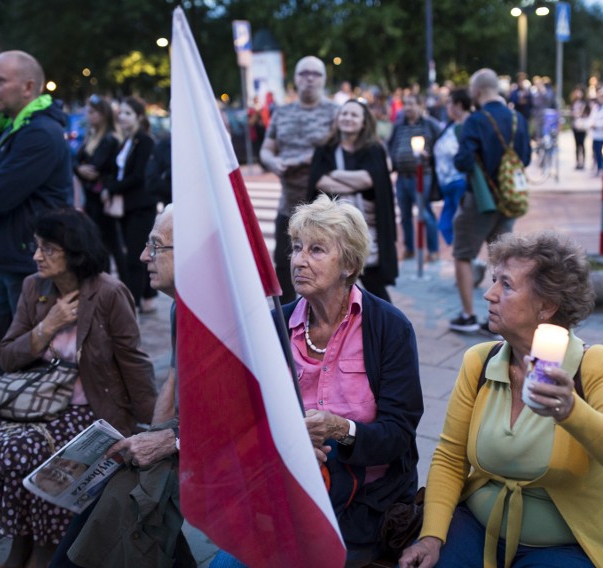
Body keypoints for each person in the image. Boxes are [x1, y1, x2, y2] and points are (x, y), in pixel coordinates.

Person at [400, 231, 603, 568]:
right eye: (493, 281)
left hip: (565, 545)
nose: (488, 294)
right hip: (478, 526)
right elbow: (450, 456)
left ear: (546, 306)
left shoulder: (595, 365)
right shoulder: (479, 361)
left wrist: (572, 411)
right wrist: (431, 536)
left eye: (506, 285)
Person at [212, 195, 423, 567]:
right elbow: (246, 416)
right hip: (286, 488)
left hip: (365, 502)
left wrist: (341, 429)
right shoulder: (276, 326)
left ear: (349, 264)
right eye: (296, 248)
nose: (298, 260)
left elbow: (398, 435)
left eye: (316, 250)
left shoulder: (389, 328)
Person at [0, 207, 157, 568]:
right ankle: (21, 543)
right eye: (37, 246)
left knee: (35, 456)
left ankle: (45, 549)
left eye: (48, 248)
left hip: (91, 412)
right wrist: (46, 327)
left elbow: (134, 362)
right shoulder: (34, 288)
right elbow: (6, 356)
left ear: (75, 251)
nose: (37, 256)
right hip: (40, 406)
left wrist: (152, 429)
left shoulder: (109, 293)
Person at [50, 205, 197, 568]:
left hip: (222, 456)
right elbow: (173, 384)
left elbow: (242, 414)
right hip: (184, 442)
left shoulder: (225, 318)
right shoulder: (184, 307)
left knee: (122, 503)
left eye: (156, 246)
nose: (144, 255)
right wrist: (154, 437)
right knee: (125, 492)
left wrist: (168, 441)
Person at [0, 50, 72, 373]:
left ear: (28, 88)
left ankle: (32, 418)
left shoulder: (39, 134)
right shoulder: (7, 128)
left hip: (28, 260)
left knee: (28, 353)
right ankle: (11, 415)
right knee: (0, 345)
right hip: (8, 258)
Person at [450, 68, 531, 334]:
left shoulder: (475, 120)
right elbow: (526, 158)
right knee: (502, 258)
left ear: (475, 91)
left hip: (481, 200)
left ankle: (468, 315)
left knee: (463, 254)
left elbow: (462, 160)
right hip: (510, 198)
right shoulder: (518, 118)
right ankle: (499, 319)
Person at [261, 55, 337, 303]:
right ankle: (287, 321)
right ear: (295, 78)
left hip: (325, 207)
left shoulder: (335, 113)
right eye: (304, 73)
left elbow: (339, 151)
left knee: (327, 267)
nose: (309, 78)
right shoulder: (282, 113)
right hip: (289, 205)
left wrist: (302, 160)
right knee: (284, 266)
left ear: (324, 79)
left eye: (315, 73)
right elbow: (266, 149)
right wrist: (272, 162)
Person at [307, 99, 398, 302]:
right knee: (332, 286)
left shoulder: (374, 150)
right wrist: (359, 182)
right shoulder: (325, 149)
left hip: (368, 229)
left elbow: (371, 179)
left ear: (364, 122)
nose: (348, 118)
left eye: (354, 115)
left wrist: (334, 173)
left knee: (375, 288)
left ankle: (386, 328)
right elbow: (319, 182)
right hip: (332, 230)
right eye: (344, 113)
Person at [101, 96, 157, 313]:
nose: (122, 117)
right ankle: (147, 297)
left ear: (139, 117)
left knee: (135, 256)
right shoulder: (126, 140)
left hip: (141, 205)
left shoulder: (144, 140)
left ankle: (131, 303)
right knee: (132, 253)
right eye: (121, 113)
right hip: (126, 206)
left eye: (127, 113)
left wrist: (112, 188)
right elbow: (118, 170)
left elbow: (137, 175)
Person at [74, 94, 123, 281]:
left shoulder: (109, 139)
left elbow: (96, 167)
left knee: (110, 243)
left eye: (92, 112)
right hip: (92, 197)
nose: (88, 116)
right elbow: (76, 162)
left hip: (103, 197)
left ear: (102, 114)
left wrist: (80, 168)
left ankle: (112, 284)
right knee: (102, 242)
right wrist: (79, 168)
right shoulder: (91, 137)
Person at [387, 93, 441, 261]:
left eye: (412, 104)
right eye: (406, 104)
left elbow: (440, 147)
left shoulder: (430, 124)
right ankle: (409, 248)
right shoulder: (399, 125)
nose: (408, 107)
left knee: (424, 213)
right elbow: (391, 145)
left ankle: (433, 250)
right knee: (404, 215)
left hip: (422, 175)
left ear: (420, 105)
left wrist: (429, 155)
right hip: (402, 176)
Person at [434, 88, 473, 244]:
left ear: (458, 104)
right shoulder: (452, 125)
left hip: (459, 182)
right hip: (447, 184)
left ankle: (468, 260)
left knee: (460, 227)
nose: (447, 106)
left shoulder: (469, 125)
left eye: (449, 103)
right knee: (446, 225)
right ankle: (465, 259)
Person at [588, 87, 603, 176]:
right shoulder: (595, 107)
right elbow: (591, 118)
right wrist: (591, 124)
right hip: (596, 135)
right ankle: (598, 168)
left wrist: (597, 125)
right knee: (596, 153)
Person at [569, 86, 590, 170]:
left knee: (582, 144)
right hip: (575, 125)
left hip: (582, 125)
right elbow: (571, 113)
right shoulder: (573, 102)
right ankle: (578, 162)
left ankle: (583, 162)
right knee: (577, 145)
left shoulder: (585, 103)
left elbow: (588, 113)